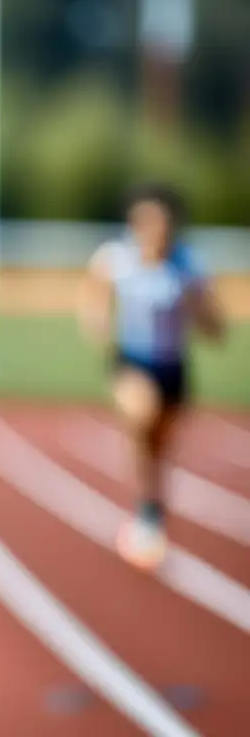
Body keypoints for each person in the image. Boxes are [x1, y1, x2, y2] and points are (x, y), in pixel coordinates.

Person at [78, 182, 226, 572]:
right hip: (132, 361)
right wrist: (101, 331)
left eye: (162, 225)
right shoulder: (116, 258)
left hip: (173, 367)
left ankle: (149, 510)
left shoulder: (187, 265)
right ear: (135, 224)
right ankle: (146, 516)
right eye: (146, 223)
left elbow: (210, 319)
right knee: (141, 417)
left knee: (159, 448)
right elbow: (94, 300)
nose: (154, 232)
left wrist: (210, 321)